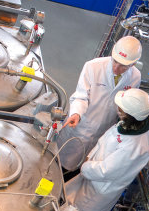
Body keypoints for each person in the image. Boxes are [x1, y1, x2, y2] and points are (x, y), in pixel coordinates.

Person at [55, 89, 149, 211]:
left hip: (101, 187)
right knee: (75, 205)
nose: (118, 110)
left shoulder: (134, 148)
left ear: (129, 115)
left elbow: (106, 171)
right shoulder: (132, 125)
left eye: (121, 109)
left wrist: (85, 167)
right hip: (93, 175)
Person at [56, 36, 142, 180]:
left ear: (133, 64)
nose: (116, 68)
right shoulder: (93, 66)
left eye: (123, 66)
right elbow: (81, 95)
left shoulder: (135, 77)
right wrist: (76, 113)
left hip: (104, 132)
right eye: (115, 61)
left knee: (80, 171)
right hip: (81, 126)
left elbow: (126, 105)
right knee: (59, 165)